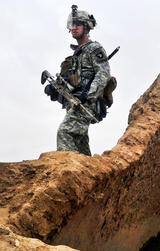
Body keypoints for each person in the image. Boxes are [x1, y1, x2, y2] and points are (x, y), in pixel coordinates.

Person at [45, 5, 111, 156]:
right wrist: (56, 91)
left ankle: (67, 171)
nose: (74, 28)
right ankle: (89, 177)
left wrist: (88, 95)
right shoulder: (76, 55)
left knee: (65, 132)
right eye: (72, 25)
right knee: (79, 143)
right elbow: (73, 83)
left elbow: (104, 74)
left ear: (86, 27)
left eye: (78, 25)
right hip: (75, 103)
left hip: (87, 103)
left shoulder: (94, 48)